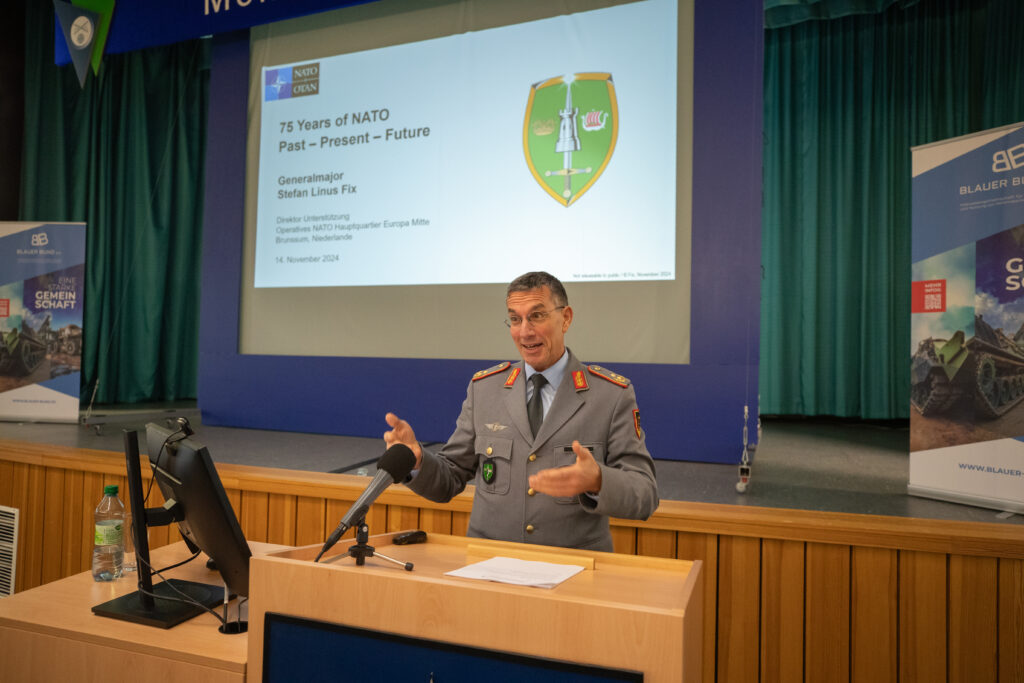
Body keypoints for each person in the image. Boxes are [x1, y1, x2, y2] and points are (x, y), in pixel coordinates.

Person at [384, 271, 658, 551]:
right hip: (488, 565)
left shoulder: (610, 395)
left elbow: (645, 493)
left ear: (565, 318)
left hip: (574, 568)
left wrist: (599, 480)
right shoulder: (485, 389)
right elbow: (450, 477)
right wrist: (417, 461)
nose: (525, 331)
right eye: (515, 319)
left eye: (537, 316)